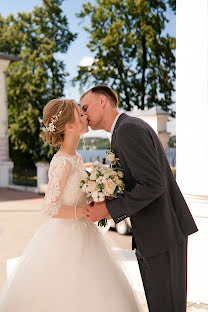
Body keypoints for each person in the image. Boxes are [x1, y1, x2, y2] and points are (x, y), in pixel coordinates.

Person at [0, 99, 141, 312]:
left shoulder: (75, 157)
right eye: (80, 113)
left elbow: (78, 192)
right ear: (69, 126)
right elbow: (50, 207)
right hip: (67, 238)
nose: (85, 115)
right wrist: (82, 211)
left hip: (87, 233)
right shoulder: (62, 161)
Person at [80, 85, 198, 312]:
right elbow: (141, 181)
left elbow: (153, 184)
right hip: (158, 234)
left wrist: (108, 210)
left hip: (161, 235)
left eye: (85, 107)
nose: (84, 115)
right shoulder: (125, 129)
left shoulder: (127, 130)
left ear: (102, 101)